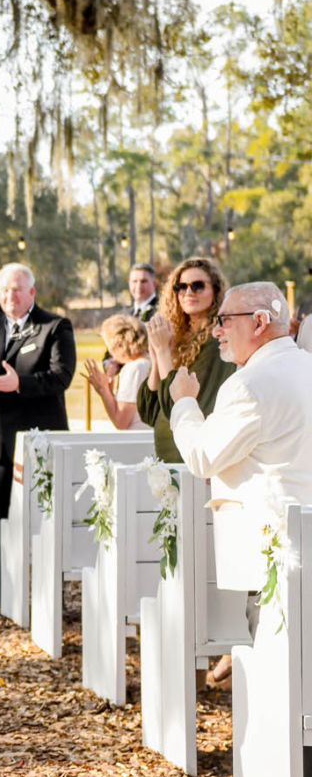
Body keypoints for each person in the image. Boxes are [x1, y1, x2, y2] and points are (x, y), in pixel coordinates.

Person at [170, 281, 312, 603]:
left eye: (224, 320)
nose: (216, 331)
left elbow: (201, 458)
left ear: (260, 322)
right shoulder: (307, 365)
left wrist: (184, 404)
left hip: (273, 556)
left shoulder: (247, 386)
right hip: (306, 544)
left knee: (272, 648)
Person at [0, 263, 76, 611]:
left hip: (41, 440)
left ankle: (50, 593)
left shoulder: (55, 326)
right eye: (5, 290)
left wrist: (19, 384)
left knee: (45, 517)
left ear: (32, 293)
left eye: (17, 289)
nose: (10, 296)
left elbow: (61, 376)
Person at [137, 256, 234, 462]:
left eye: (198, 286)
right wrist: (157, 357)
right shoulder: (175, 335)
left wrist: (164, 352)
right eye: (181, 286)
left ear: (215, 291)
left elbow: (181, 403)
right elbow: (149, 411)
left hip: (192, 453)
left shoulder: (217, 340)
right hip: (165, 454)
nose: (188, 292)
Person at [84, 314, 150, 431]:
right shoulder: (149, 362)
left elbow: (121, 421)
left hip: (138, 440)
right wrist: (110, 394)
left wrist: (103, 390)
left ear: (117, 344)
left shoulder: (134, 369)